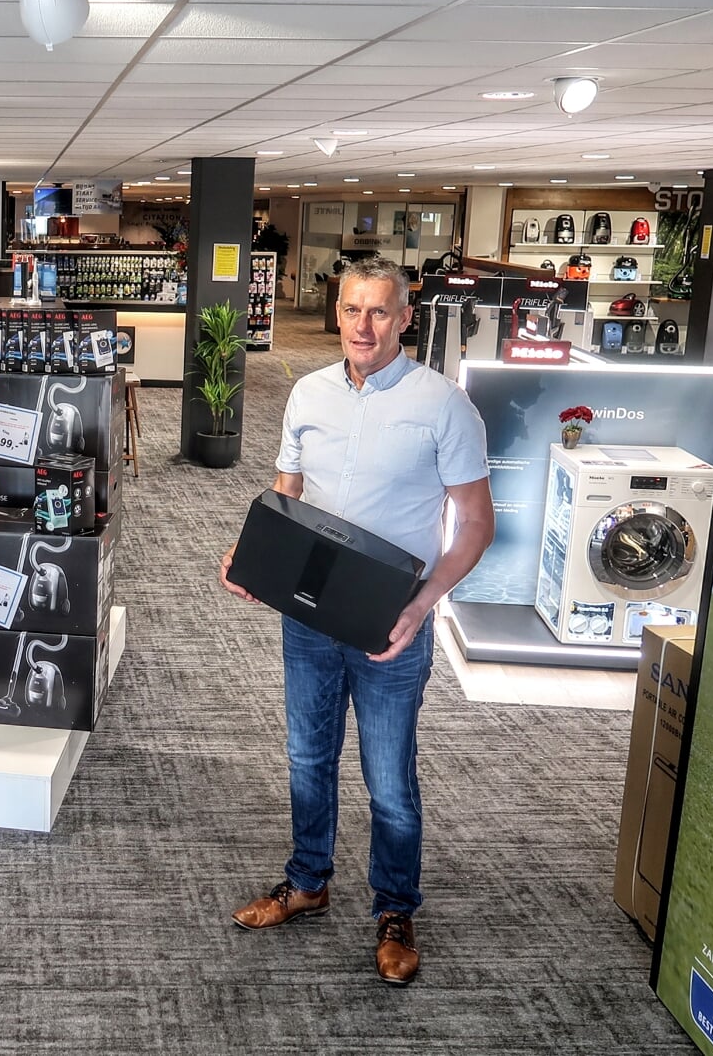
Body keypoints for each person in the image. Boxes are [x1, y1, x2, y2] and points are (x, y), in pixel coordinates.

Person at [219, 256, 494, 985]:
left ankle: (395, 910)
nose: (363, 326)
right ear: (335, 313)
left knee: (388, 781)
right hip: (310, 617)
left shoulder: (445, 406)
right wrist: (257, 555)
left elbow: (474, 525)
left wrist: (420, 608)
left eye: (379, 312)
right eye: (351, 310)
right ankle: (308, 882)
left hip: (388, 627)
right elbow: (287, 494)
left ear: (406, 318)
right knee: (308, 760)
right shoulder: (307, 392)